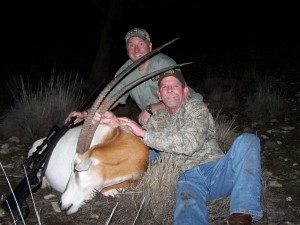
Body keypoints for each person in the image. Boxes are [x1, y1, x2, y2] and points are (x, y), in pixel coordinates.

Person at [93, 70, 263, 225]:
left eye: (175, 85)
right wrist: (115, 122)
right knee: (187, 216)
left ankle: (243, 213)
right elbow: (136, 137)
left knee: (248, 140)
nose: (170, 89)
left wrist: (144, 134)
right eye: (164, 87)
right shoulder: (156, 119)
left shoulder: (196, 108)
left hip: (218, 171)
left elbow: (190, 143)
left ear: (185, 91)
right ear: (159, 94)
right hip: (187, 180)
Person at [65, 27, 201, 125]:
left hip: (185, 107)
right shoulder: (125, 71)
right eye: (131, 45)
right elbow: (111, 100)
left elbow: (182, 97)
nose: (136, 50)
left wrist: (150, 109)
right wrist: (85, 114)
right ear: (127, 50)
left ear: (150, 46)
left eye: (141, 44)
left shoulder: (163, 63)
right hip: (154, 118)